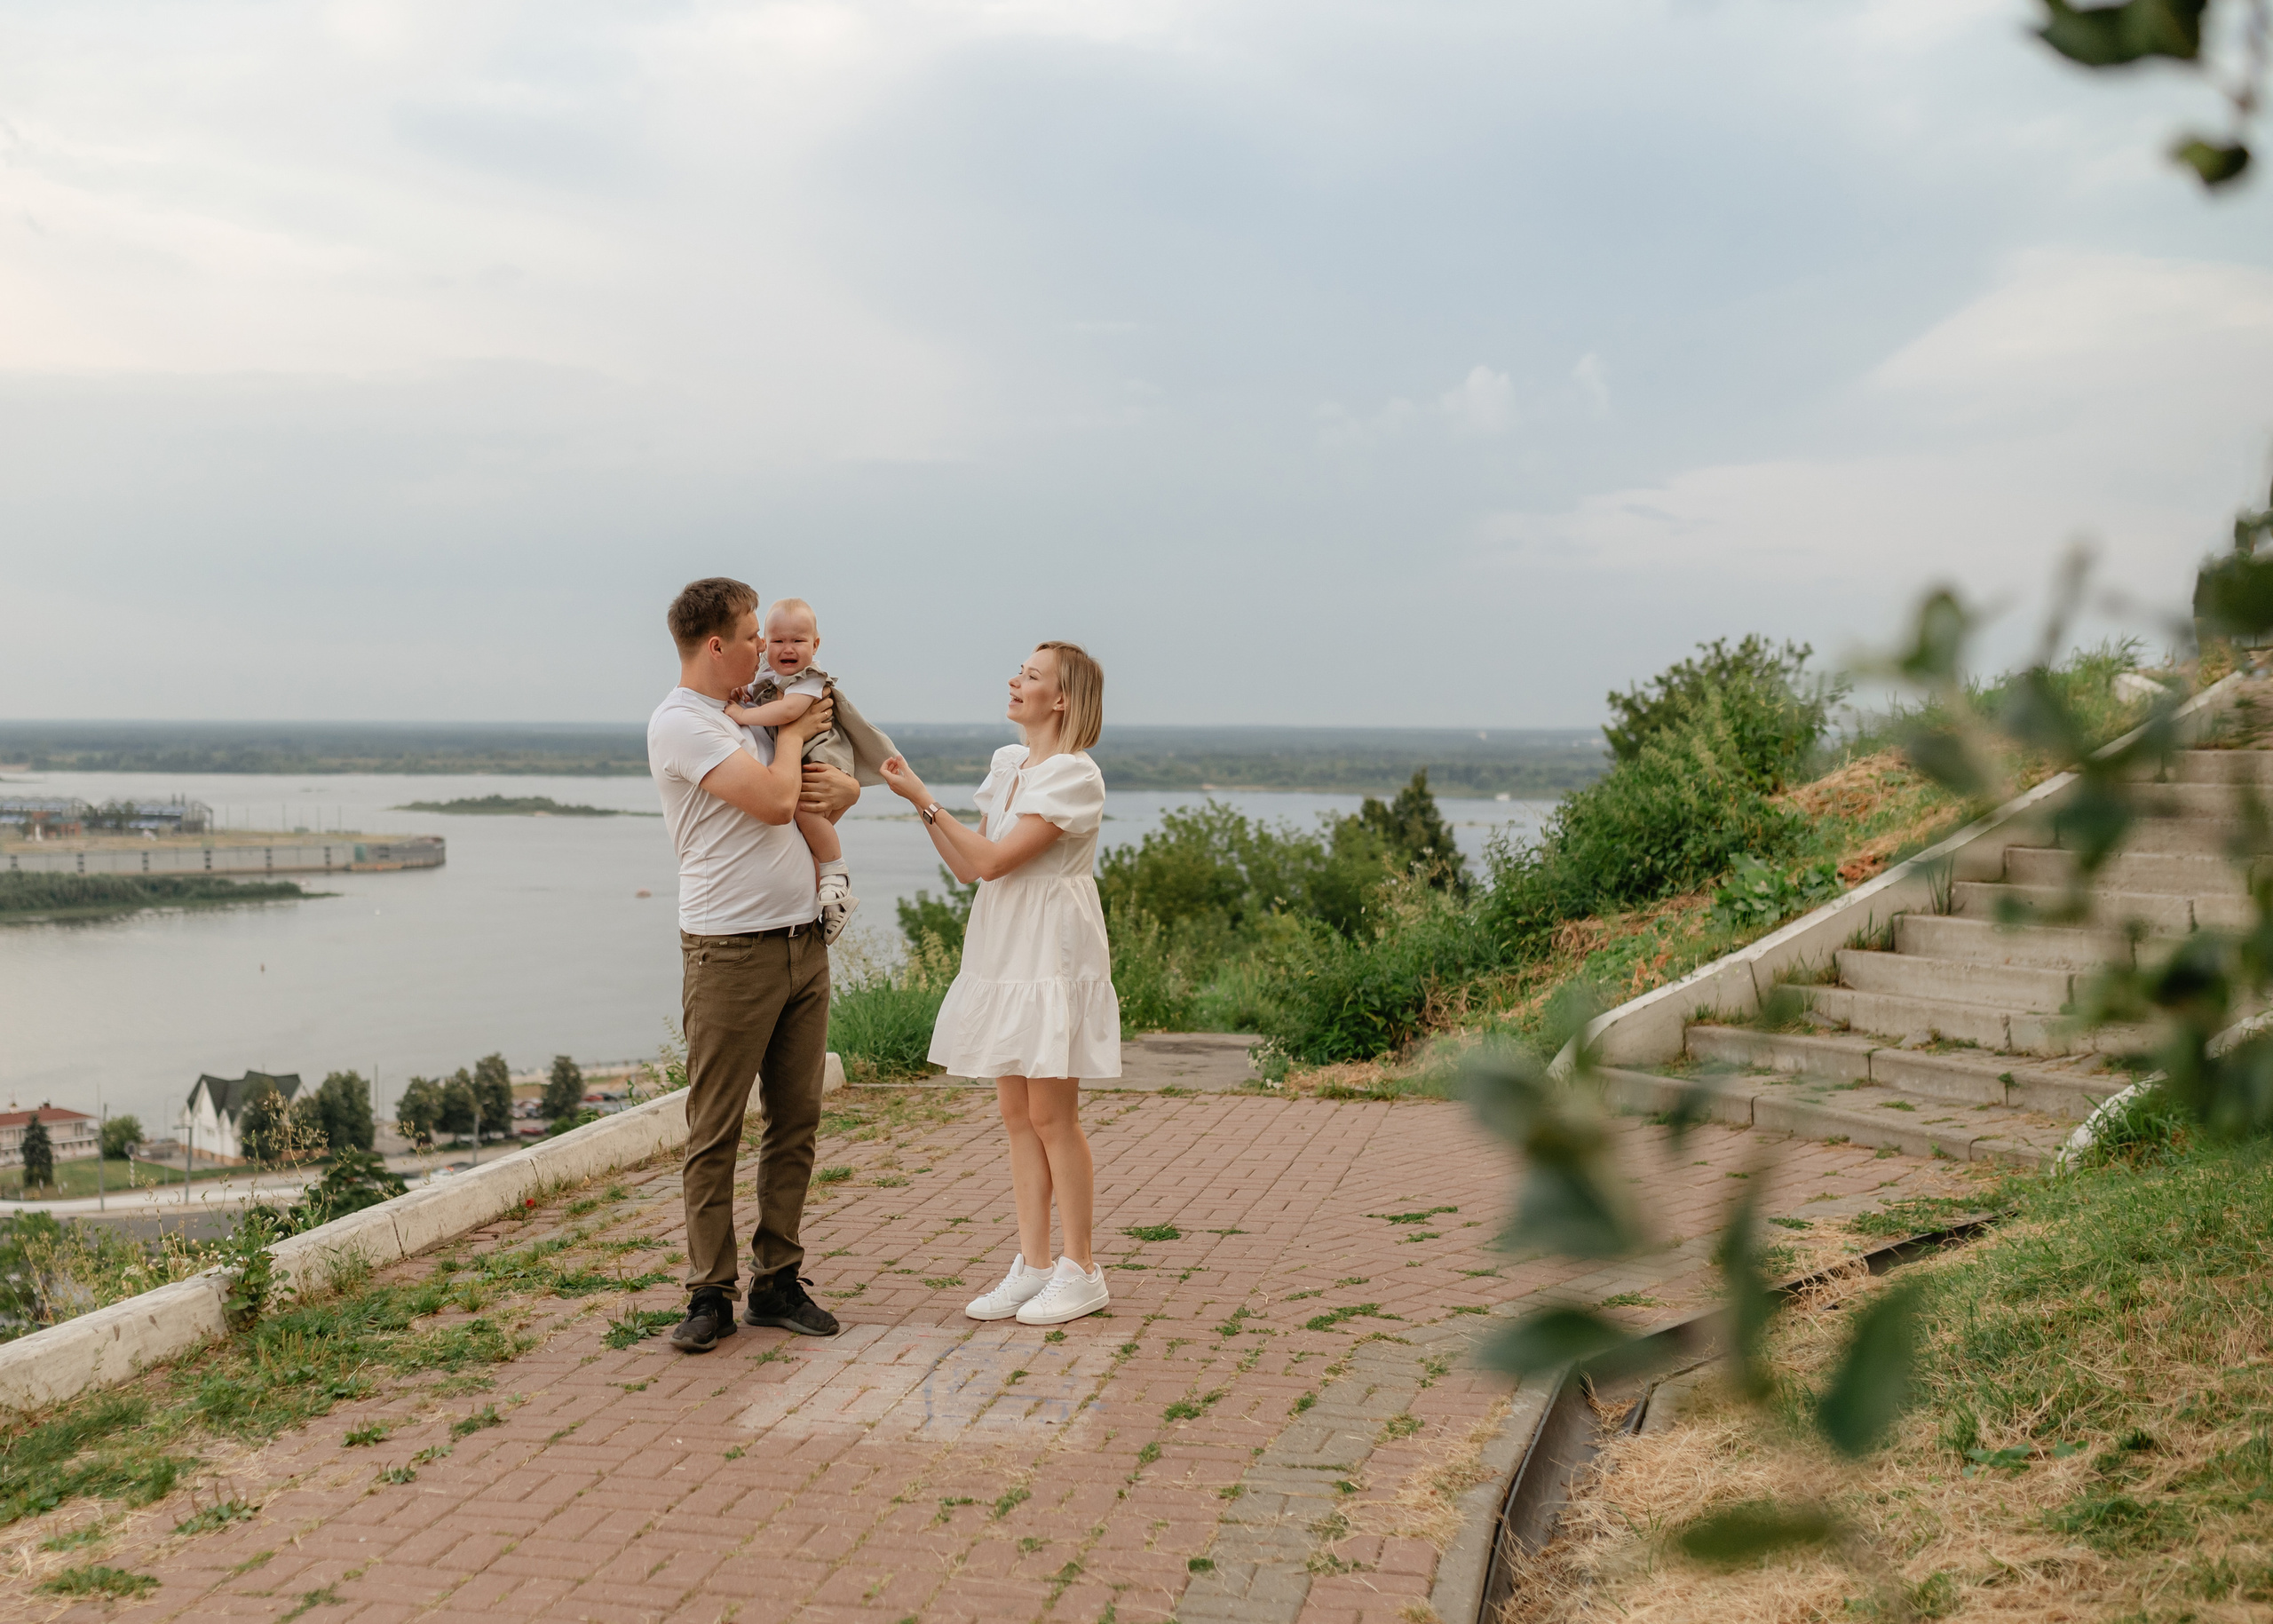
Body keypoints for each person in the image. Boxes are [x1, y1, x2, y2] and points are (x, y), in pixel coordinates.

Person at [647, 576, 862, 1353]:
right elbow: (774, 803)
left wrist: (844, 786)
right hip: (728, 951)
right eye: (748, 636)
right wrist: (800, 730)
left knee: (796, 1119)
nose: (763, 648)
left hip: (802, 942)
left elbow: (821, 795)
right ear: (715, 645)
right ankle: (710, 1292)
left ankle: (777, 1279)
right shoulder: (683, 723)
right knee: (715, 1127)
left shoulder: (760, 704)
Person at [878, 641, 1120, 1327]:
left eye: (1032, 675)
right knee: (1017, 1115)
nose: (1016, 681)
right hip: (1006, 941)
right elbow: (969, 868)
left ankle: (1082, 1267)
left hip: (1050, 948)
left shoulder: (1075, 775)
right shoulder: (1011, 764)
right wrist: (923, 809)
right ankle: (1035, 1264)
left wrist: (923, 799)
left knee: (1053, 1116)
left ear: (1063, 698)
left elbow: (993, 859)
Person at [724, 597, 899, 944]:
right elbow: (762, 694)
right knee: (802, 832)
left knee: (806, 812)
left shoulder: (810, 680)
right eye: (778, 641)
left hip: (822, 756)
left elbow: (788, 713)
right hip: (801, 758)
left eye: (798, 641)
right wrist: (746, 693)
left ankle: (836, 870)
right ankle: (832, 900)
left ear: (815, 645)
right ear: (765, 645)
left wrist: (742, 715)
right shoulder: (769, 675)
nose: (787, 648)